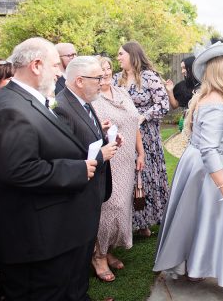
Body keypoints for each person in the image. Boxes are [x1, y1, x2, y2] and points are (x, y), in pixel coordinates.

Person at [0, 37, 98, 301]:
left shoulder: (28, 100)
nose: (60, 72)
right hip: (34, 241)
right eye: (56, 65)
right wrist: (77, 169)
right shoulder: (10, 108)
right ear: (36, 65)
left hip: (52, 236)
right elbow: (18, 170)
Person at [153, 43, 223, 301]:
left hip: (215, 162)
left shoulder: (221, 96)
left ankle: (195, 266)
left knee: (200, 217)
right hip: (213, 167)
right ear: (221, 74)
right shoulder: (213, 103)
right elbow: (209, 149)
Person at [53, 56, 119, 287]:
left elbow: (81, 137)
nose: (102, 82)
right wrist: (103, 155)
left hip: (92, 191)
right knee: (76, 254)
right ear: (80, 81)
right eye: (97, 78)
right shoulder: (61, 108)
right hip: (77, 195)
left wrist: (103, 135)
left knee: (83, 249)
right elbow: (65, 157)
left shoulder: (83, 101)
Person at [91, 56, 144, 280]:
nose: (104, 72)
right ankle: (98, 256)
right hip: (109, 159)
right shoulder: (92, 99)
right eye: (99, 69)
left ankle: (109, 249)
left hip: (127, 158)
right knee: (107, 208)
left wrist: (140, 152)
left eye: (108, 67)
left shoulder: (122, 93)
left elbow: (134, 122)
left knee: (122, 206)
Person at [114, 41, 170, 236]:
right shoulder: (116, 79)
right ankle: (133, 223)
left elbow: (163, 104)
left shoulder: (149, 77)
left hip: (147, 136)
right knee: (128, 178)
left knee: (147, 176)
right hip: (125, 137)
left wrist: (143, 116)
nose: (118, 57)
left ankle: (149, 220)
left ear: (132, 55)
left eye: (121, 54)